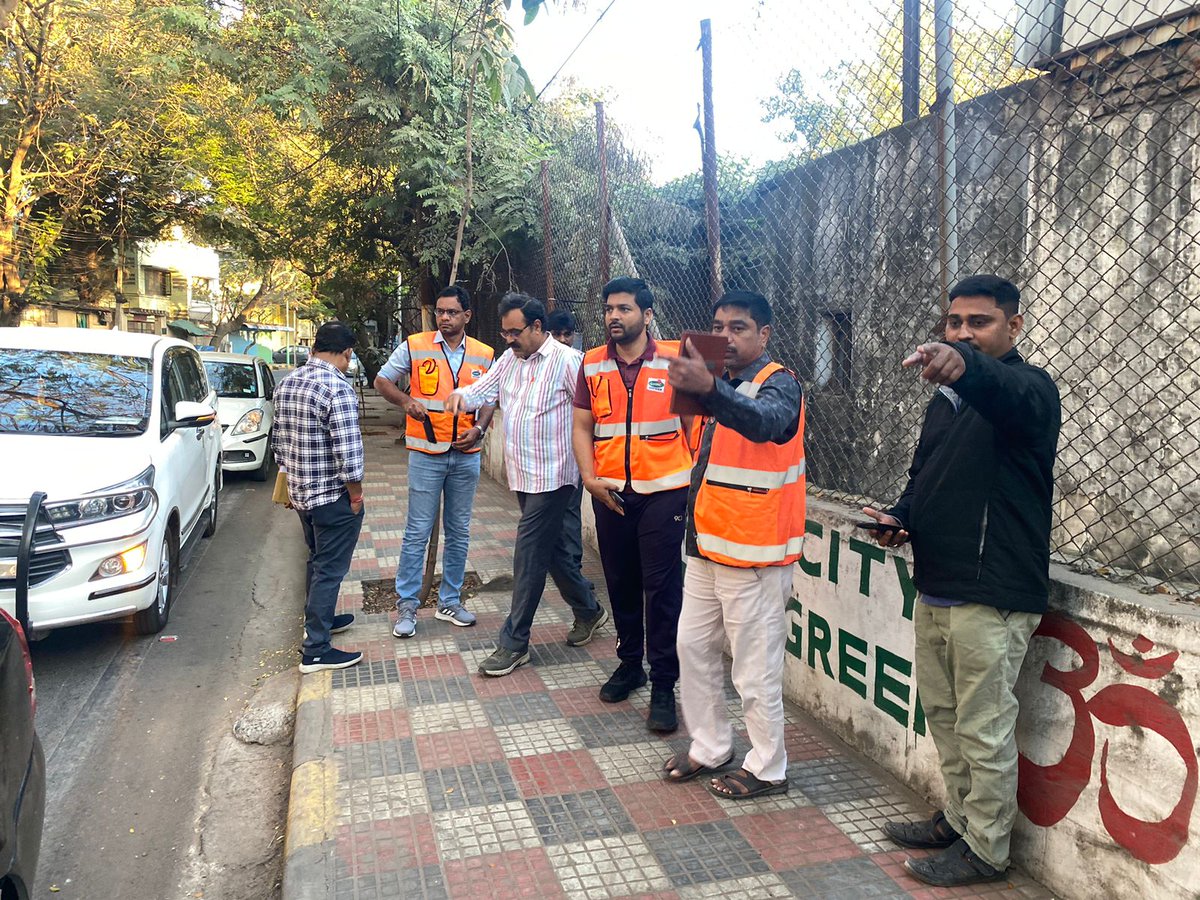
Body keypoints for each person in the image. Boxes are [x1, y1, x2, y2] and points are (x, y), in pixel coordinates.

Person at [862, 275, 1060, 888]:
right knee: (945, 717)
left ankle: (987, 851)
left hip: (992, 591)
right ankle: (959, 819)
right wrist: (902, 517)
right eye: (954, 323)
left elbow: (1002, 389)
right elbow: (926, 478)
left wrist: (964, 366)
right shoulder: (946, 403)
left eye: (980, 322)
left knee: (984, 727)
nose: (964, 333)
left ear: (1013, 327)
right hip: (940, 584)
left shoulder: (1029, 390)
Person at [662, 290, 805, 800]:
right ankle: (711, 745)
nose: (725, 336)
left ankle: (768, 767)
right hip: (706, 546)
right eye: (718, 325)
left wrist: (710, 390)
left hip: (756, 554)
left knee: (754, 668)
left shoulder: (780, 384)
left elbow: (765, 424)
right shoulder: (714, 383)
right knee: (693, 648)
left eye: (738, 327)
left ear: (764, 334)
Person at [446, 292, 608, 676]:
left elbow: (592, 416)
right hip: (523, 474)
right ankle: (589, 609)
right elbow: (483, 389)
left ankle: (514, 642)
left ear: (538, 327)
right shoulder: (511, 359)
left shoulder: (570, 363)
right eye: (504, 333)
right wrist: (459, 397)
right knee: (550, 553)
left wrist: (593, 467)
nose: (508, 339)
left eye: (515, 332)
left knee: (528, 556)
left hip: (556, 477)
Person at [572, 277, 691, 733]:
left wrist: (690, 477)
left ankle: (664, 683)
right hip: (609, 491)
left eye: (623, 308)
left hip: (664, 491)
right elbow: (583, 427)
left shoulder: (675, 359)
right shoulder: (592, 363)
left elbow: (693, 423)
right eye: (608, 309)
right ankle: (629, 664)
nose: (613, 317)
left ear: (647, 314)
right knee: (620, 580)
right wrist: (589, 478)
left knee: (661, 588)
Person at [374, 286, 495, 637]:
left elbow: (490, 396)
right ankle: (407, 607)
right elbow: (382, 380)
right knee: (417, 532)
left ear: (467, 316)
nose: (444, 318)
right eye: (441, 312)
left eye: (452, 312)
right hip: (427, 454)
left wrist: (480, 428)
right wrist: (405, 401)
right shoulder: (416, 345)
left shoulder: (485, 354)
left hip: (466, 454)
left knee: (459, 531)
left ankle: (450, 601)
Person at [271, 322, 366, 673]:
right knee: (329, 569)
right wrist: (355, 496)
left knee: (317, 559)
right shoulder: (336, 389)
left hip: (302, 496)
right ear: (346, 353)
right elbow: (349, 456)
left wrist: (291, 482)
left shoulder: (288, 382)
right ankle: (316, 649)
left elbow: (278, 442)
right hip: (332, 497)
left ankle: (320, 623)